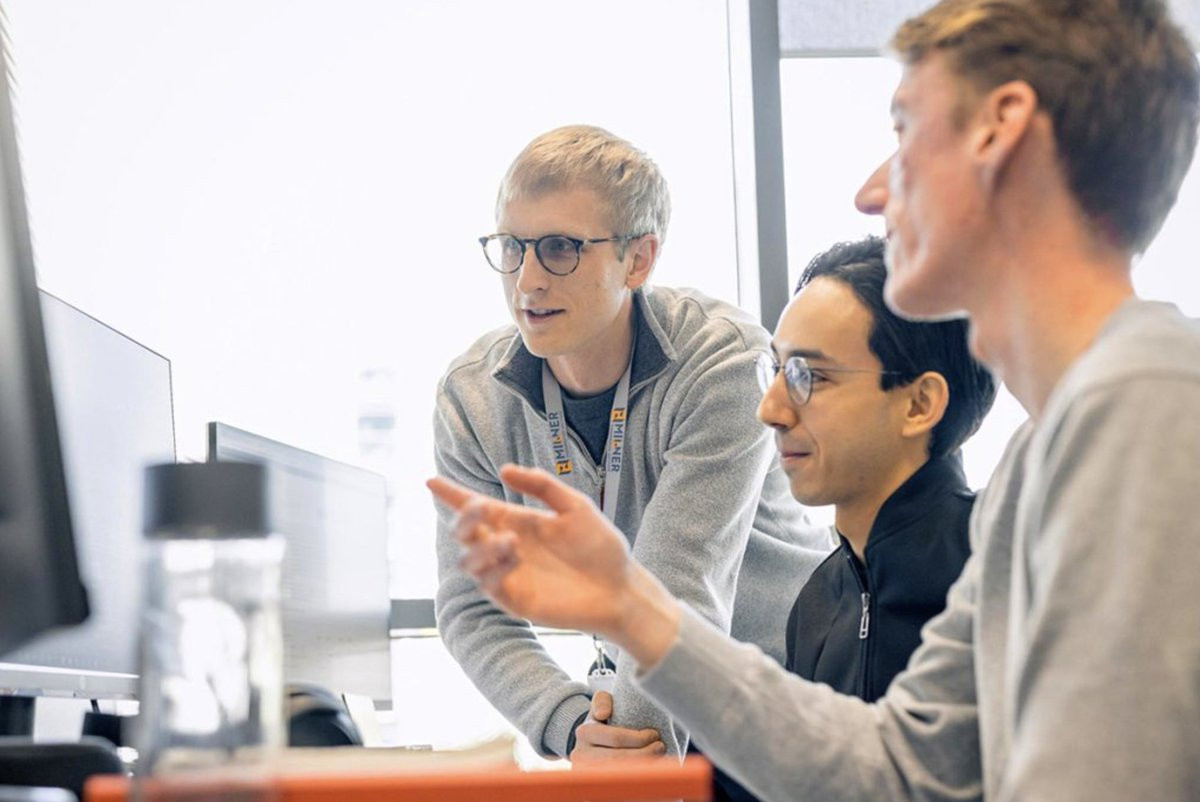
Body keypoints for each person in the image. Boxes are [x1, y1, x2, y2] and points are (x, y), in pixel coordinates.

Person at [431, 1, 1200, 799]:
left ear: (1001, 133)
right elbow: (900, 766)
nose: (871, 192)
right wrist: (631, 609)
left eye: (904, 133)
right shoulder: (1042, 457)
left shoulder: (1144, 412)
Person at [433, 124, 830, 761]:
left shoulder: (722, 361)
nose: (527, 281)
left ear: (639, 260)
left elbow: (680, 590)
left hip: (789, 697)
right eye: (512, 246)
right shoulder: (474, 398)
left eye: (559, 248)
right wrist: (575, 730)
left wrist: (630, 766)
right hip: (647, 705)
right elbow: (470, 609)